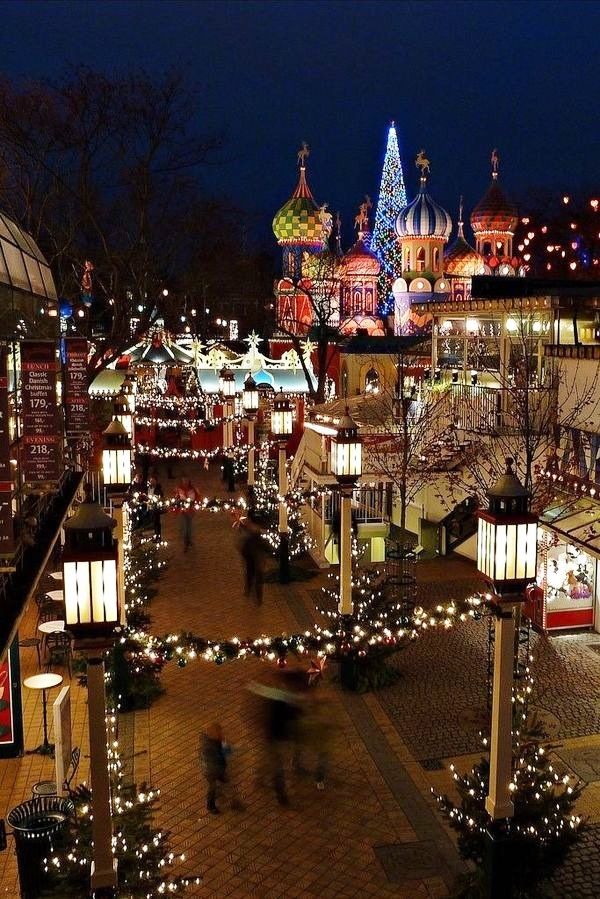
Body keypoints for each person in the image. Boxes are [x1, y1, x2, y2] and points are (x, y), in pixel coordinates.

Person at [200, 723, 229, 814]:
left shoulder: (215, 741)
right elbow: (224, 753)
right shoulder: (209, 747)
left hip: (218, 768)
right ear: (212, 734)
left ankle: (221, 780)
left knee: (223, 780)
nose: (221, 734)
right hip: (211, 771)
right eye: (219, 733)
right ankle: (210, 805)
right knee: (212, 787)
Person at [240, 519, 267, 604]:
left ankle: (249, 590)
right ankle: (258, 597)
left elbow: (244, 550)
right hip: (256, 560)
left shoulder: (249, 540)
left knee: (251, 575)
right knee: (257, 578)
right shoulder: (259, 540)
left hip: (252, 560)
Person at [175, 476, 199, 551]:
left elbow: (197, 497)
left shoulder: (193, 489)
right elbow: (176, 498)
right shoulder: (179, 489)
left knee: (189, 527)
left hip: (191, 511)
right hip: (183, 511)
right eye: (184, 480)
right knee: (185, 528)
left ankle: (189, 540)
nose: (185, 481)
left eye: (186, 480)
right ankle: (186, 543)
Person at [147, 473, 164, 540]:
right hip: (149, 507)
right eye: (151, 481)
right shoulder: (148, 488)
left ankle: (158, 536)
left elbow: (161, 496)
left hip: (155, 508)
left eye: (153, 481)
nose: (152, 482)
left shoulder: (158, 489)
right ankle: (152, 536)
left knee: (157, 523)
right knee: (151, 523)